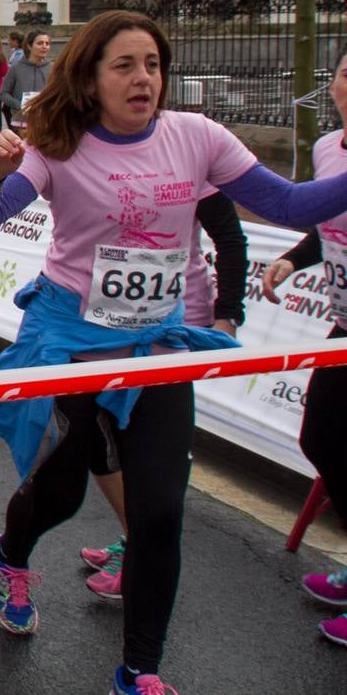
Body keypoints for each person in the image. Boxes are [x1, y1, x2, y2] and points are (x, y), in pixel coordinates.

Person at [0, 11, 347, 694]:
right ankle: (13, 554)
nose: (144, 79)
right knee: (60, 490)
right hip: (72, 342)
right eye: (125, 66)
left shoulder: (197, 137)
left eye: (154, 65)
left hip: (156, 345)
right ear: (90, 77)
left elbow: (289, 205)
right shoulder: (56, 143)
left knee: (160, 511)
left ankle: (138, 672)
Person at [78, 189, 247, 601]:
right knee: (100, 444)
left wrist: (228, 315)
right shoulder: (87, 145)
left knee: (149, 455)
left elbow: (229, 234)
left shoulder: (187, 150)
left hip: (167, 333)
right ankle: (135, 537)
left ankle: (142, 550)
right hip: (103, 328)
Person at [258, 39, 347, 649]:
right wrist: (292, 257)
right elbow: (322, 224)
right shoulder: (326, 148)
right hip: (342, 326)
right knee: (321, 437)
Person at [0, 30, 51, 131]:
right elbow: (3, 93)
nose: (44, 46)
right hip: (21, 125)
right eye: (40, 43)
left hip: (46, 124)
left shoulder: (52, 69)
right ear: (29, 46)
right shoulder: (16, 68)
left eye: (47, 43)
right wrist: (20, 105)